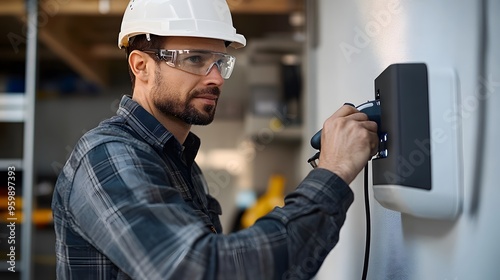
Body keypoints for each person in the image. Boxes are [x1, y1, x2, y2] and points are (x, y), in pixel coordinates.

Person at [51, 0, 379, 279]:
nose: (217, 78)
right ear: (142, 66)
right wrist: (333, 172)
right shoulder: (108, 155)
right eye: (195, 59)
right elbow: (204, 269)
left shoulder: (177, 161)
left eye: (220, 62)